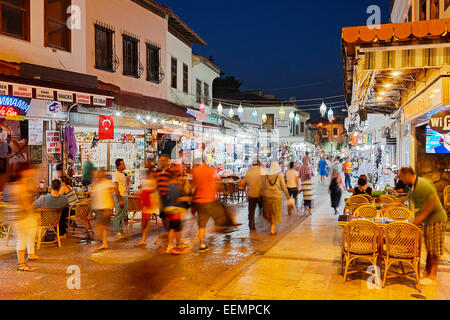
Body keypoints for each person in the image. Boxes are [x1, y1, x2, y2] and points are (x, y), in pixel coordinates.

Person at [398, 167, 447, 286]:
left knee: (434, 248)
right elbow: (407, 197)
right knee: (429, 247)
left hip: (437, 220)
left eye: (401, 176)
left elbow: (434, 202)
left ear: (408, 174)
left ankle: (433, 276)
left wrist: (419, 219)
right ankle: (427, 272)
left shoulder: (423, 184)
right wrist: (394, 204)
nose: (399, 178)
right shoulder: (413, 185)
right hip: (428, 221)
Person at [2, 165, 39, 271]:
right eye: (29, 172)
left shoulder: (11, 185)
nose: (31, 174)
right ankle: (21, 264)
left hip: (15, 217)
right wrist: (32, 213)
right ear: (23, 172)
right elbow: (25, 203)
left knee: (23, 238)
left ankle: (24, 260)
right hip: (22, 217)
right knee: (24, 238)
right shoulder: (21, 186)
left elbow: (7, 200)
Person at [191, 160, 227, 252]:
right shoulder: (211, 170)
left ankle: (202, 244)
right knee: (221, 216)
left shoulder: (195, 171)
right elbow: (216, 184)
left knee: (202, 224)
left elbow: (193, 186)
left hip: (199, 201)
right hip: (210, 200)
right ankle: (222, 229)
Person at [164, 167, 191, 254]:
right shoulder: (176, 185)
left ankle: (176, 244)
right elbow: (178, 198)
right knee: (175, 228)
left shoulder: (169, 184)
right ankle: (172, 246)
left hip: (171, 209)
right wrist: (187, 198)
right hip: (175, 210)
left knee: (175, 227)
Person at [262, 162, 291, 235]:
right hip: (276, 196)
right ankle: (272, 229)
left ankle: (271, 226)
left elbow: (262, 186)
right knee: (275, 212)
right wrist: (287, 196)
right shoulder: (279, 176)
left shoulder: (266, 176)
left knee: (268, 212)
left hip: (267, 196)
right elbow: (284, 187)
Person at [135, 166, 159, 247]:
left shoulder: (152, 181)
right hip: (146, 202)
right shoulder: (147, 181)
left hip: (150, 202)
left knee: (146, 221)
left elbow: (153, 189)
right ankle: (144, 239)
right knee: (145, 221)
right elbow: (142, 190)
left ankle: (144, 239)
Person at [91, 168, 114, 251]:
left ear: (103, 174)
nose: (98, 174)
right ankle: (105, 243)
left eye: (100, 173)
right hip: (97, 207)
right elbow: (93, 196)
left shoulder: (107, 183)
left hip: (104, 207)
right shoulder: (96, 184)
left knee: (98, 227)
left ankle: (94, 245)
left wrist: (109, 209)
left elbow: (111, 195)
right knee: (102, 227)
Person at [242, 160, 264, 231]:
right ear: (259, 164)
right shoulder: (262, 171)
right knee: (262, 209)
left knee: (251, 211)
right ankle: (261, 222)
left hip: (251, 194)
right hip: (260, 194)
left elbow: (244, 183)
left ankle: (251, 225)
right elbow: (265, 182)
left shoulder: (248, 171)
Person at [112, 158, 128, 240]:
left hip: (124, 195)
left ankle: (121, 230)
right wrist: (120, 199)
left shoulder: (122, 174)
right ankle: (117, 231)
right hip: (120, 196)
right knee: (118, 214)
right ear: (118, 166)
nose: (124, 165)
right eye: (122, 164)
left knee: (123, 214)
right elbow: (115, 188)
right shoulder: (116, 174)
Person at [156, 154, 171, 236]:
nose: (162, 162)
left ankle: (170, 231)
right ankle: (167, 230)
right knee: (162, 215)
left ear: (167, 161)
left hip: (169, 197)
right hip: (160, 196)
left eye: (163, 160)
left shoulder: (170, 171)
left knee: (169, 215)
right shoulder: (157, 171)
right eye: (160, 160)